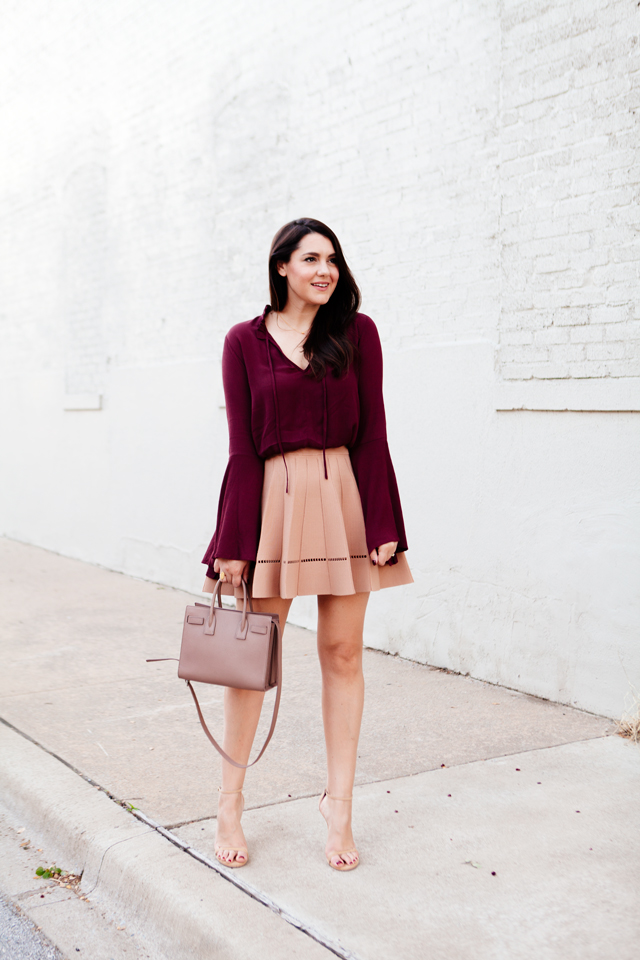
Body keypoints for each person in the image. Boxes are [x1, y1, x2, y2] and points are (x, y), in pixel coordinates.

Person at [201, 217, 413, 872]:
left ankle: (339, 806)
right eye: (311, 259)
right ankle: (230, 801)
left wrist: (384, 524)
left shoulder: (357, 333)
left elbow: (373, 433)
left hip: (343, 494)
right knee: (251, 658)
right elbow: (240, 448)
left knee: (344, 652)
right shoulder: (244, 341)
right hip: (273, 503)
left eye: (333, 260)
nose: (326, 270)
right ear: (282, 268)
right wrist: (232, 540)